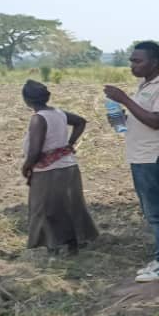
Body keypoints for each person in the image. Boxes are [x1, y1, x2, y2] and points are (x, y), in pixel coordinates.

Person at [103, 41, 159, 283]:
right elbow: (142, 118)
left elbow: (157, 120)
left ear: (154, 62)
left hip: (154, 159)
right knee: (151, 213)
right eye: (131, 60)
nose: (132, 65)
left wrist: (124, 99)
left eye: (137, 60)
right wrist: (120, 118)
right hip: (140, 157)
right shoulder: (144, 86)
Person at [20, 80, 98, 255]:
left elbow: (34, 152)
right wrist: (69, 144)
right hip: (68, 166)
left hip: (49, 172)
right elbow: (81, 122)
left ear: (26, 100)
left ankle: (53, 248)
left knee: (45, 210)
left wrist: (26, 167)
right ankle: (73, 245)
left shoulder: (38, 119)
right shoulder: (58, 113)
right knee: (70, 207)